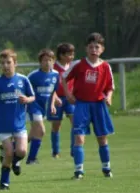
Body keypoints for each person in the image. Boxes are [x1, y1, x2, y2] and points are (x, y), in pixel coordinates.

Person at [62, 32, 114, 179]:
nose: (94, 50)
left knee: (102, 138)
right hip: (82, 105)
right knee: (79, 138)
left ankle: (106, 168)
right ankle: (78, 171)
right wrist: (68, 94)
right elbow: (64, 78)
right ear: (86, 49)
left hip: (98, 105)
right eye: (91, 47)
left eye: (97, 47)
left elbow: (110, 86)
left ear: (102, 49)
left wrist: (109, 97)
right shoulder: (78, 65)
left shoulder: (105, 66)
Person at [0, 49, 35, 190]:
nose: (5, 66)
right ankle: (4, 183)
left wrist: (27, 99)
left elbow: (32, 96)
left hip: (19, 124)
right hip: (3, 125)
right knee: (8, 153)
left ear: (15, 63)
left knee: (22, 151)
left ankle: (15, 162)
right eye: (2, 63)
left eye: (8, 62)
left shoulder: (23, 80)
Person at [26, 49, 60, 164]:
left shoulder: (55, 75)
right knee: (41, 131)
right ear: (40, 62)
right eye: (45, 60)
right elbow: (24, 89)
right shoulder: (33, 76)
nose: (47, 62)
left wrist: (53, 104)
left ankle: (11, 148)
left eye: (50, 60)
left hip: (43, 108)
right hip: (33, 106)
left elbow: (53, 91)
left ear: (53, 61)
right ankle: (31, 159)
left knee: (33, 133)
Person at [48, 43, 76, 158]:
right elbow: (49, 84)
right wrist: (54, 98)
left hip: (70, 98)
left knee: (75, 122)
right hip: (56, 98)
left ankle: (74, 149)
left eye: (73, 54)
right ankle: (56, 151)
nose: (72, 56)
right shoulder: (53, 68)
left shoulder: (72, 66)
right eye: (69, 54)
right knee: (56, 125)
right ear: (61, 55)